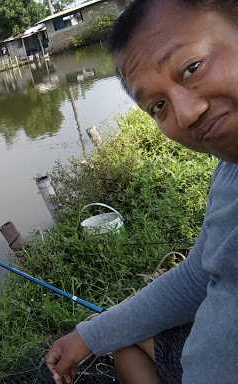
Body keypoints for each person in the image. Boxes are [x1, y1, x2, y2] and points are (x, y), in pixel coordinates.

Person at [46, 1, 238, 383]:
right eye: (158, 106)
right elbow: (199, 275)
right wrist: (88, 335)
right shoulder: (229, 172)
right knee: (126, 343)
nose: (186, 114)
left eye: (192, 67)